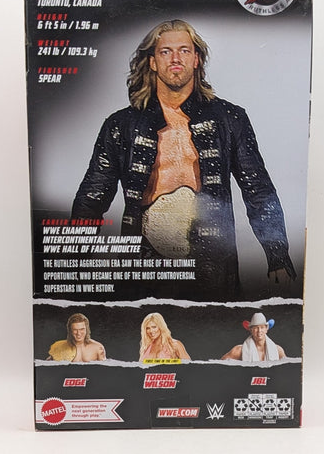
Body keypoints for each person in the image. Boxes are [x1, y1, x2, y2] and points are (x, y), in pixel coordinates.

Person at [72, 19, 296, 299]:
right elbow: (92, 196)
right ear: (153, 62)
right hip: (143, 260)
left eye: (184, 50)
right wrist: (75, 259)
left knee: (211, 324)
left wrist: (277, 255)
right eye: (165, 51)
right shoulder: (121, 125)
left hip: (212, 260)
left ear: (196, 59)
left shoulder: (230, 118)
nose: (175, 58)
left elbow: (258, 190)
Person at [221, 312, 285, 361]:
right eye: (256, 328)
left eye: (262, 327)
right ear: (251, 330)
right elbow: (220, 366)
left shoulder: (278, 350)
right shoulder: (239, 350)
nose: (259, 331)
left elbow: (286, 369)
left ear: (266, 329)